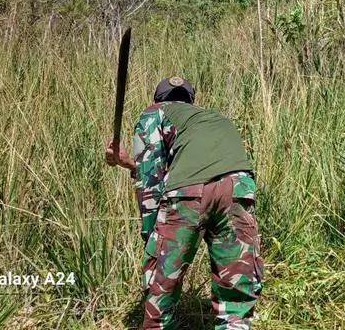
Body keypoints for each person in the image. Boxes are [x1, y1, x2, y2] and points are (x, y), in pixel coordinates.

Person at [106, 76, 263, 330]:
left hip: (188, 195)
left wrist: (151, 238)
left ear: (158, 99)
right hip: (239, 188)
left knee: (161, 292)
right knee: (236, 297)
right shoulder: (211, 118)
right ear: (191, 101)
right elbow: (203, 169)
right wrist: (128, 163)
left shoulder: (154, 113)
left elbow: (150, 181)